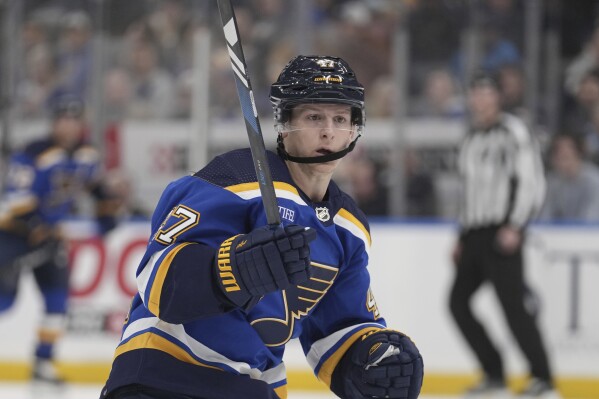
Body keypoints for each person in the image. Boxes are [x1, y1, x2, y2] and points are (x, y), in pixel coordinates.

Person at [100, 55, 424, 399]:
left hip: (253, 388)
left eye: (340, 118)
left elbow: (340, 329)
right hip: (162, 377)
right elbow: (158, 282)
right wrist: (232, 271)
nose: (329, 130)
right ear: (284, 123)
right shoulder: (234, 178)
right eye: (314, 117)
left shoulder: (348, 227)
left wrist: (374, 359)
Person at [449, 71, 558, 397]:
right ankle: (494, 371)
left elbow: (531, 180)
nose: (480, 99)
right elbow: (467, 191)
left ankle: (543, 377)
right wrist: (462, 234)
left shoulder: (513, 131)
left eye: (486, 92)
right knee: (457, 303)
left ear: (498, 96)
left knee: (512, 306)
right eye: (475, 92)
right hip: (475, 233)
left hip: (503, 231)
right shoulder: (470, 138)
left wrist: (517, 225)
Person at [0, 95, 117, 384]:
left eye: (74, 120)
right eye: (63, 119)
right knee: (5, 300)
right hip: (13, 234)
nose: (69, 125)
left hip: (48, 238)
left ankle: (43, 361)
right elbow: (15, 199)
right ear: (54, 123)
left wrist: (107, 213)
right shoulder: (34, 151)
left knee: (57, 299)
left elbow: (97, 188)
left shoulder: (87, 154)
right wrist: (37, 227)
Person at [538, 134, 599, 222]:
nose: (562, 160)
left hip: (589, 233)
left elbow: (591, 218)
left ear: (578, 154)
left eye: (566, 156)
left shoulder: (594, 180)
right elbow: (545, 216)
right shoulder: (552, 181)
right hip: (557, 233)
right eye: (558, 155)